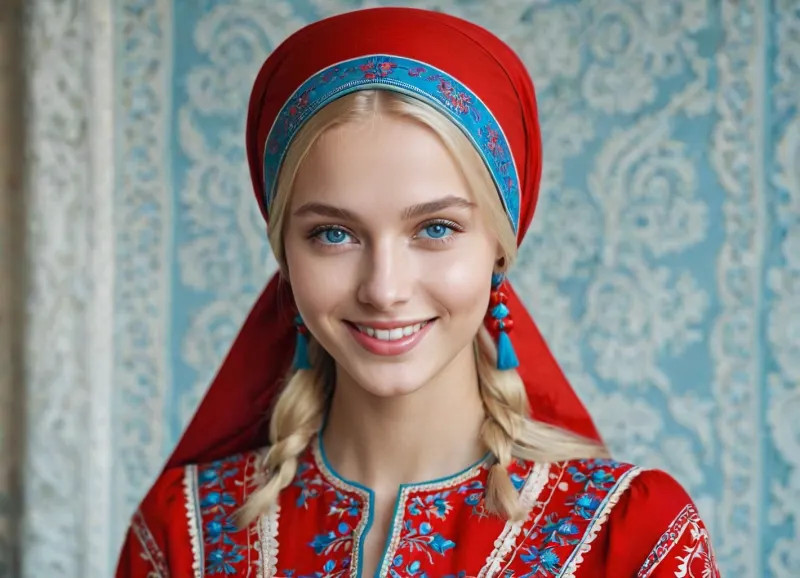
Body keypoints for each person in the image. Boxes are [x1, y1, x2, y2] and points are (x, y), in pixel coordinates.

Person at [116, 7, 720, 578]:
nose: (384, 288)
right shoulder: (181, 535)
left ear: (499, 248)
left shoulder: (633, 537)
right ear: (285, 253)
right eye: (333, 233)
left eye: (436, 229)